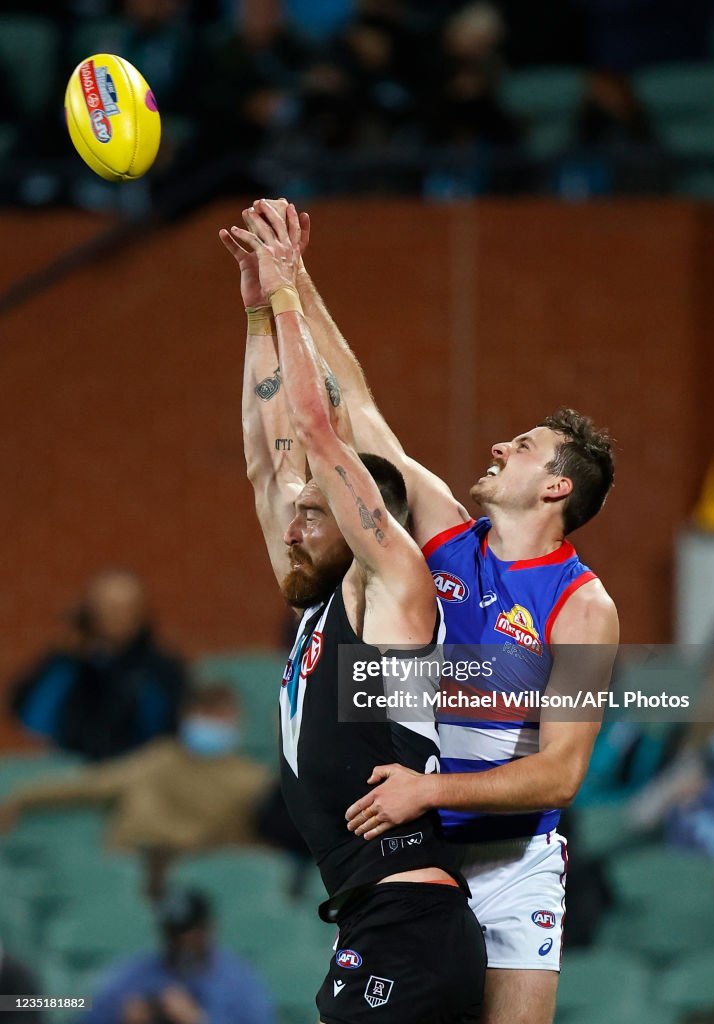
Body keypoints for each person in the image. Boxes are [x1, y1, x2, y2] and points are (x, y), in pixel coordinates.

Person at [233, 198, 618, 1024]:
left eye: (522, 447)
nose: (498, 448)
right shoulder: (447, 533)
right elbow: (356, 411)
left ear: (557, 487)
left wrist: (429, 787)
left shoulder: (585, 608)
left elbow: (563, 772)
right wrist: (294, 277)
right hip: (415, 844)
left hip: (508, 859)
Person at [220, 203, 486, 1022]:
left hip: (410, 917)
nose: (293, 518)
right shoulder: (320, 598)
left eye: (318, 508)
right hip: (375, 920)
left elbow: (320, 427)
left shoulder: (394, 588)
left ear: (369, 518)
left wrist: (291, 298)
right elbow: (269, 457)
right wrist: (258, 310)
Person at [0, 683, 270, 899]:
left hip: (201, 875)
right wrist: (24, 796)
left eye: (222, 715)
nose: (214, 723)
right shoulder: (157, 759)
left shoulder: (253, 781)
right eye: (206, 712)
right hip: (129, 870)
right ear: (186, 716)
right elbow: (91, 784)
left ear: (237, 722)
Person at [10, 568, 187, 761]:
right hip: (72, 764)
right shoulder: (68, 664)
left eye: (127, 608)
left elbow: (169, 729)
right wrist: (66, 658)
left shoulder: (162, 669)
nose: (118, 616)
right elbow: (32, 719)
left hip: (138, 767)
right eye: (109, 607)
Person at [85, 887, 277, 1024]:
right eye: (172, 935)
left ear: (209, 930)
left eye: (188, 935)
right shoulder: (136, 972)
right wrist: (120, 1018)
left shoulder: (239, 979)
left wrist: (197, 1020)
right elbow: (83, 1011)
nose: (180, 944)